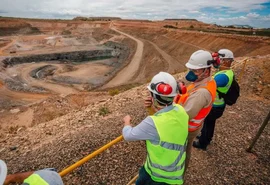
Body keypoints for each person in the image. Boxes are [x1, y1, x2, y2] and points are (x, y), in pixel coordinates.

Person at [145, 50, 217, 174]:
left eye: (195, 71)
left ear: (207, 70)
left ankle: (176, 176)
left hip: (186, 129)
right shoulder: (204, 82)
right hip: (191, 127)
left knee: (181, 152)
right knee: (185, 149)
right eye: (191, 69)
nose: (191, 73)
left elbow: (183, 115)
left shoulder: (202, 93)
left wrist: (158, 108)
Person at [123, 72, 189, 185]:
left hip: (159, 177)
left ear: (153, 96)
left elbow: (128, 135)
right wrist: (151, 108)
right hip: (171, 173)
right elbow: (165, 119)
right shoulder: (180, 110)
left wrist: (127, 122)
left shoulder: (153, 123)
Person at [193, 49, 236, 150]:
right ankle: (207, 137)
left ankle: (203, 143)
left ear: (226, 61)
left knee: (208, 123)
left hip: (215, 106)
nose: (216, 62)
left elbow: (207, 85)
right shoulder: (227, 72)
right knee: (210, 123)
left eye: (219, 59)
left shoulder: (222, 76)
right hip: (218, 104)